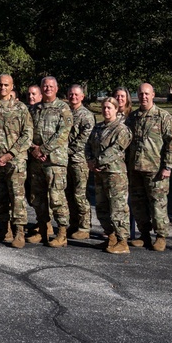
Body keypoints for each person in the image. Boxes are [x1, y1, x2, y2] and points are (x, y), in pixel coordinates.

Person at [126, 83, 172, 252]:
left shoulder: (163, 117)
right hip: (135, 169)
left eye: (147, 94)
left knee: (158, 204)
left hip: (156, 170)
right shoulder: (133, 117)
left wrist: (168, 166)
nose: (144, 97)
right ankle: (144, 235)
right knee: (138, 204)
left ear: (153, 95)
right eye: (141, 94)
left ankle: (161, 236)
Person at [0, 74, 32, 248]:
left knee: (17, 197)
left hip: (15, 161)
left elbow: (27, 135)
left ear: (12, 87)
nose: (2, 88)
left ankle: (19, 232)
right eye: (0, 85)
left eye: (6, 85)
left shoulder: (20, 108)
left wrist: (10, 155)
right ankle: (5, 229)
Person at [27, 76, 73, 247]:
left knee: (57, 198)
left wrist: (43, 149)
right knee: (37, 197)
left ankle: (62, 233)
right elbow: (27, 131)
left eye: (51, 86)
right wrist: (34, 149)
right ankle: (43, 229)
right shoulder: (35, 109)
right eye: (44, 86)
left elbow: (63, 133)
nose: (47, 88)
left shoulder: (63, 108)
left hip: (55, 161)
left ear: (57, 88)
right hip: (36, 161)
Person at [87, 97, 132, 254]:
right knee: (101, 207)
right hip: (99, 174)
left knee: (117, 208)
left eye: (109, 108)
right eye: (104, 108)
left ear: (116, 109)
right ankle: (111, 237)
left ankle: (122, 241)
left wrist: (97, 162)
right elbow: (88, 145)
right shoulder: (97, 128)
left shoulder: (121, 129)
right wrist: (90, 161)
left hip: (115, 175)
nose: (106, 110)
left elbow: (115, 150)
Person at [66, 84, 95, 239]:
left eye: (76, 95)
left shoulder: (87, 116)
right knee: (68, 194)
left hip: (79, 160)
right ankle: (74, 223)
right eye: (71, 94)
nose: (73, 97)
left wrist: (64, 151)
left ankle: (84, 227)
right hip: (65, 161)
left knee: (80, 194)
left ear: (82, 97)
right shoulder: (65, 113)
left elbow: (83, 140)